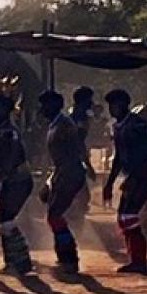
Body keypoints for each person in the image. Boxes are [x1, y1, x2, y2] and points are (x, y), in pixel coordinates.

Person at [104, 88, 147, 274]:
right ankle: (135, 259)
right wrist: (109, 183)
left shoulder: (136, 124)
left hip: (143, 175)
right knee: (125, 217)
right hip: (134, 176)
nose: (111, 109)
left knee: (128, 216)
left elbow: (145, 154)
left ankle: (139, 261)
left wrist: (134, 177)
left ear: (123, 105)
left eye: (114, 105)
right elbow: (119, 157)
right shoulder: (119, 126)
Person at [41, 88, 94, 277]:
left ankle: (69, 260)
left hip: (69, 174)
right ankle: (66, 258)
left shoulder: (64, 125)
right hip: (64, 174)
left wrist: (58, 179)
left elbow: (72, 153)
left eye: (45, 105)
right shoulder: (57, 124)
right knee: (55, 216)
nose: (42, 109)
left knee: (55, 216)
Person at [0, 89, 39, 275]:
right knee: (3, 220)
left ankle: (21, 262)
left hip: (17, 180)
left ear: (4, 110)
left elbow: (9, 161)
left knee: (5, 220)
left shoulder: (8, 132)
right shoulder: (2, 130)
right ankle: (15, 262)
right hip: (11, 180)